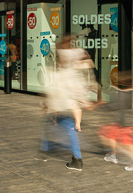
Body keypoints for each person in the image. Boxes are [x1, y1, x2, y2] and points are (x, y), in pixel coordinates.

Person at [37, 35, 92, 171]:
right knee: (52, 124)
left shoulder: (68, 71)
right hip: (62, 106)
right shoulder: (67, 69)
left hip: (65, 106)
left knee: (70, 128)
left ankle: (77, 159)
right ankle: (46, 150)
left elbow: (69, 92)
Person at [98, 70, 133, 171]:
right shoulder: (128, 91)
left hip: (125, 123)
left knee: (125, 144)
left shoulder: (122, 93)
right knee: (112, 136)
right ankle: (114, 155)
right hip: (125, 122)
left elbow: (117, 105)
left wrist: (104, 105)